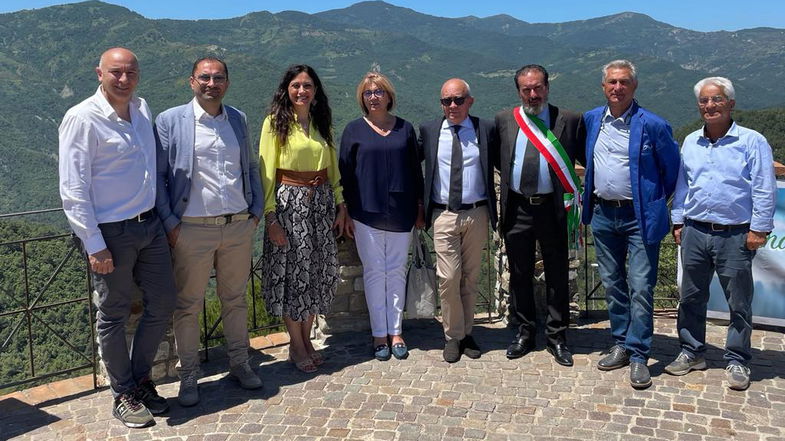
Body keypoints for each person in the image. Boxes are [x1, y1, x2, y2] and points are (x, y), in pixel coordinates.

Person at [58, 48, 176, 428]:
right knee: (113, 313)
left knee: (162, 302)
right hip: (111, 232)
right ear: (99, 73)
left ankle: (141, 380)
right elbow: (73, 189)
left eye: (130, 72)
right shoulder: (81, 118)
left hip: (150, 225)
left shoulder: (142, 109)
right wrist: (94, 244)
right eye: (116, 72)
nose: (123, 79)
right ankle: (122, 392)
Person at [155, 57, 264, 406]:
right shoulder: (170, 120)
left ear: (227, 83)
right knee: (188, 305)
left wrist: (256, 212)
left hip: (237, 225)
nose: (211, 83)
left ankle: (240, 363)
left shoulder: (238, 118)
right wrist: (171, 223)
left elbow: (249, 165)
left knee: (235, 300)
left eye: (218, 78)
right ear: (191, 82)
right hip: (192, 229)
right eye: (205, 77)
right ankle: (188, 376)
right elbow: (158, 177)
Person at [667, 77, 776, 391]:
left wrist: (760, 228)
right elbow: (683, 185)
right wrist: (678, 222)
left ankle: (737, 358)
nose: (709, 106)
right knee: (690, 297)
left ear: (731, 103)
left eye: (716, 100)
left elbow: (764, 188)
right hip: (695, 230)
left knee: (738, 301)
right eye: (704, 100)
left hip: (735, 234)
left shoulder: (752, 141)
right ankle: (691, 351)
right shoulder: (690, 141)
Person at [581, 59, 680, 389]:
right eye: (611, 82)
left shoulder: (653, 125)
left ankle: (639, 354)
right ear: (603, 86)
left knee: (640, 286)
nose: (617, 87)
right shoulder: (593, 120)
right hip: (603, 214)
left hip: (639, 218)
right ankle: (621, 342)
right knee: (611, 282)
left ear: (634, 86)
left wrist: (653, 202)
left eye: (623, 82)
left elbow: (671, 172)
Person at [494, 65, 585, 366]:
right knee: (519, 272)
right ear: (518, 91)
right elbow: (500, 160)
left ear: (547, 87)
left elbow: (584, 157)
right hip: (518, 207)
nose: (533, 95)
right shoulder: (505, 120)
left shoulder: (569, 120)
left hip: (554, 208)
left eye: (538, 88)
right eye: (526, 90)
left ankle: (557, 336)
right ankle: (525, 332)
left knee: (557, 272)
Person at [258, 64, 347, 373]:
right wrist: (271, 217)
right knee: (292, 275)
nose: (301, 91)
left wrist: (341, 203)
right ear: (287, 89)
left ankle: (307, 339)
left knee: (315, 273)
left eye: (307, 86)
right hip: (288, 204)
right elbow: (267, 172)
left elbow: (332, 168)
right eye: (296, 85)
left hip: (320, 203)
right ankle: (296, 344)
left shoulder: (322, 124)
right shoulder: (274, 124)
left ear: (315, 91)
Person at [339, 72, 425, 361]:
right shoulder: (353, 130)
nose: (373, 97)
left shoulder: (405, 129)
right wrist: (346, 210)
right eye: (368, 93)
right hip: (365, 213)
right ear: (362, 98)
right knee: (375, 273)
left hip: (402, 212)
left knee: (397, 271)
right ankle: (379, 334)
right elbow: (345, 174)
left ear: (389, 96)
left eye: (378, 92)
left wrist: (420, 207)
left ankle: (396, 331)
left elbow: (416, 171)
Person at [418, 78, 497, 363]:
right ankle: (453, 335)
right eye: (446, 101)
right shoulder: (429, 130)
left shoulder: (485, 129)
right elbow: (412, 165)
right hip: (443, 214)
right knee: (449, 278)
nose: (452, 106)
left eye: (458, 100)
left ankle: (466, 333)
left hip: (477, 213)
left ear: (470, 101)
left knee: (470, 277)